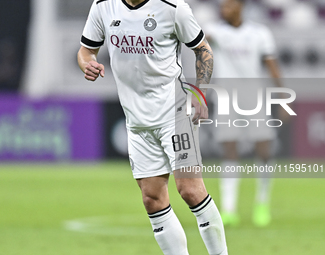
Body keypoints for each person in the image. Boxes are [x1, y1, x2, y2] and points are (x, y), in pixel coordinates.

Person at [77, 0, 228, 254]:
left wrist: (200, 93)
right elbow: (85, 50)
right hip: (137, 121)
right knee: (152, 199)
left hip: (175, 112)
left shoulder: (173, 7)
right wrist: (87, 63)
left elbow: (203, 50)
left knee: (190, 190)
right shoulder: (103, 5)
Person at [205, 0, 284, 227]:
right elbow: (197, 42)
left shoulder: (260, 33)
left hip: (254, 97)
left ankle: (262, 202)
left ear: (241, 6)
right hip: (226, 98)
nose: (224, 10)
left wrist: (281, 98)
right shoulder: (214, 30)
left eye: (229, 6)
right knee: (229, 150)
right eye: (222, 6)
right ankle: (229, 209)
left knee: (264, 149)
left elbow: (272, 65)